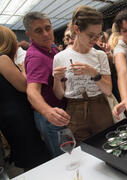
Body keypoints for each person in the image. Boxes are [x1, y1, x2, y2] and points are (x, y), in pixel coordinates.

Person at [53, 5, 114, 142]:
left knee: (106, 143)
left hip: (100, 107)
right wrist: (57, 80)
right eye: (90, 35)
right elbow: (59, 94)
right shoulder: (60, 58)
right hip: (75, 110)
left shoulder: (100, 55)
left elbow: (108, 90)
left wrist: (93, 72)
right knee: (82, 151)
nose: (95, 40)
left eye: (98, 35)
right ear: (76, 29)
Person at [0, 25, 50, 170]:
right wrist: (23, 71)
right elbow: (23, 86)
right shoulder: (3, 59)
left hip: (8, 118)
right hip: (19, 117)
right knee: (35, 156)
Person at [23, 11, 70, 157]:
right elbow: (32, 91)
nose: (45, 34)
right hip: (50, 116)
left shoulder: (51, 47)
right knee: (62, 157)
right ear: (29, 34)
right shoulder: (36, 56)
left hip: (59, 111)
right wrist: (47, 111)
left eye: (48, 28)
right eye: (38, 31)